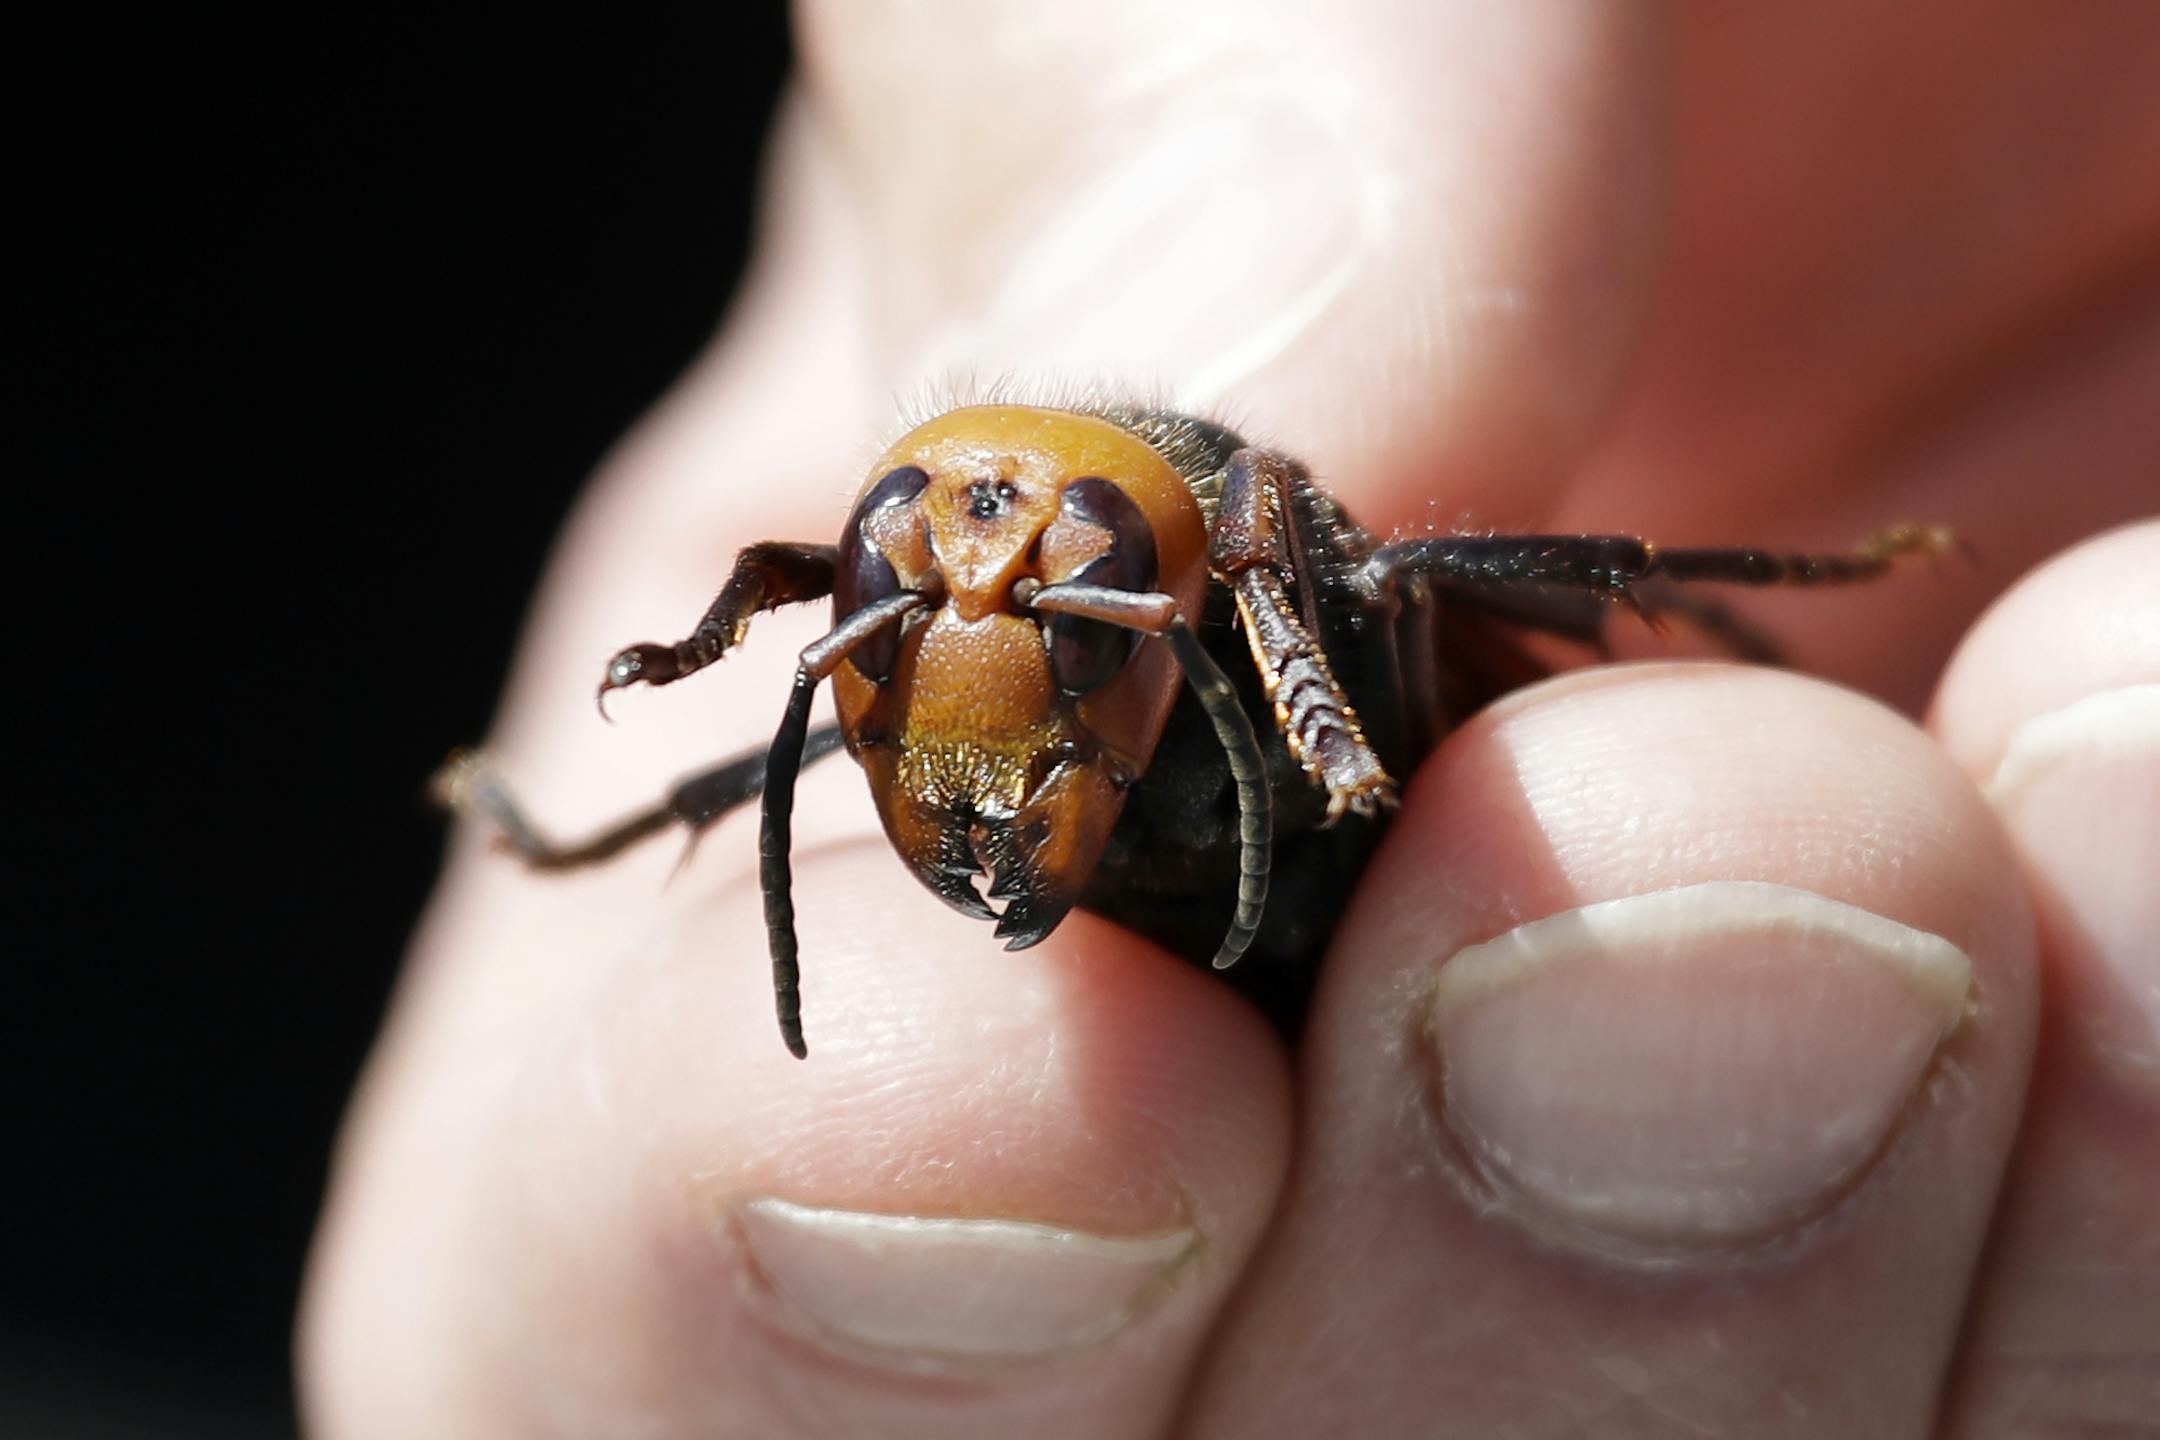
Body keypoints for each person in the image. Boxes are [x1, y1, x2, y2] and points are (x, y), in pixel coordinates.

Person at [300, 4, 2157, 1434]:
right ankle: (602, 842)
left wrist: (1769, 594)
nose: (969, 596)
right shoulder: (932, 595)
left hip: (1364, 890)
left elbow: (1322, 544)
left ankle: (1787, 604)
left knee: (1431, 593)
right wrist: (700, 670)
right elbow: (810, 584)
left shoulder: (1269, 553)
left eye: (1056, 590)